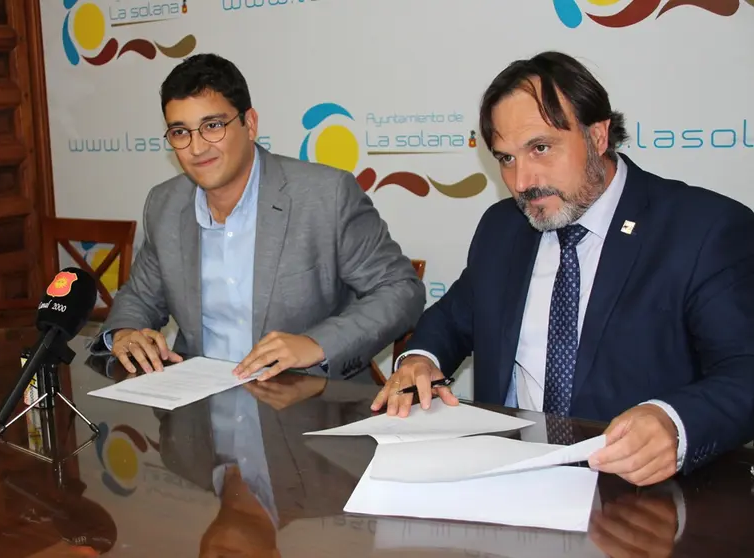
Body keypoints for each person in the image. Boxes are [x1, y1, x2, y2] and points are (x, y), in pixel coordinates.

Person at [371, 51, 754, 486]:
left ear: (598, 135)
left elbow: (745, 371)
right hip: (504, 482)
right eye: (506, 158)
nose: (521, 182)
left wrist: (675, 423)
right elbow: (455, 317)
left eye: (540, 148)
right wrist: (420, 358)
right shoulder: (504, 227)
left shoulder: (703, 229)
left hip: (638, 496)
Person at [91, 53, 425, 383]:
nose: (196, 148)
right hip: (197, 407)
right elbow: (139, 296)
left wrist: (317, 343)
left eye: (212, 126)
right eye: (181, 132)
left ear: (249, 124)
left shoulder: (326, 195)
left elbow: (400, 289)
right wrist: (124, 332)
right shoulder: (164, 204)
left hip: (309, 403)